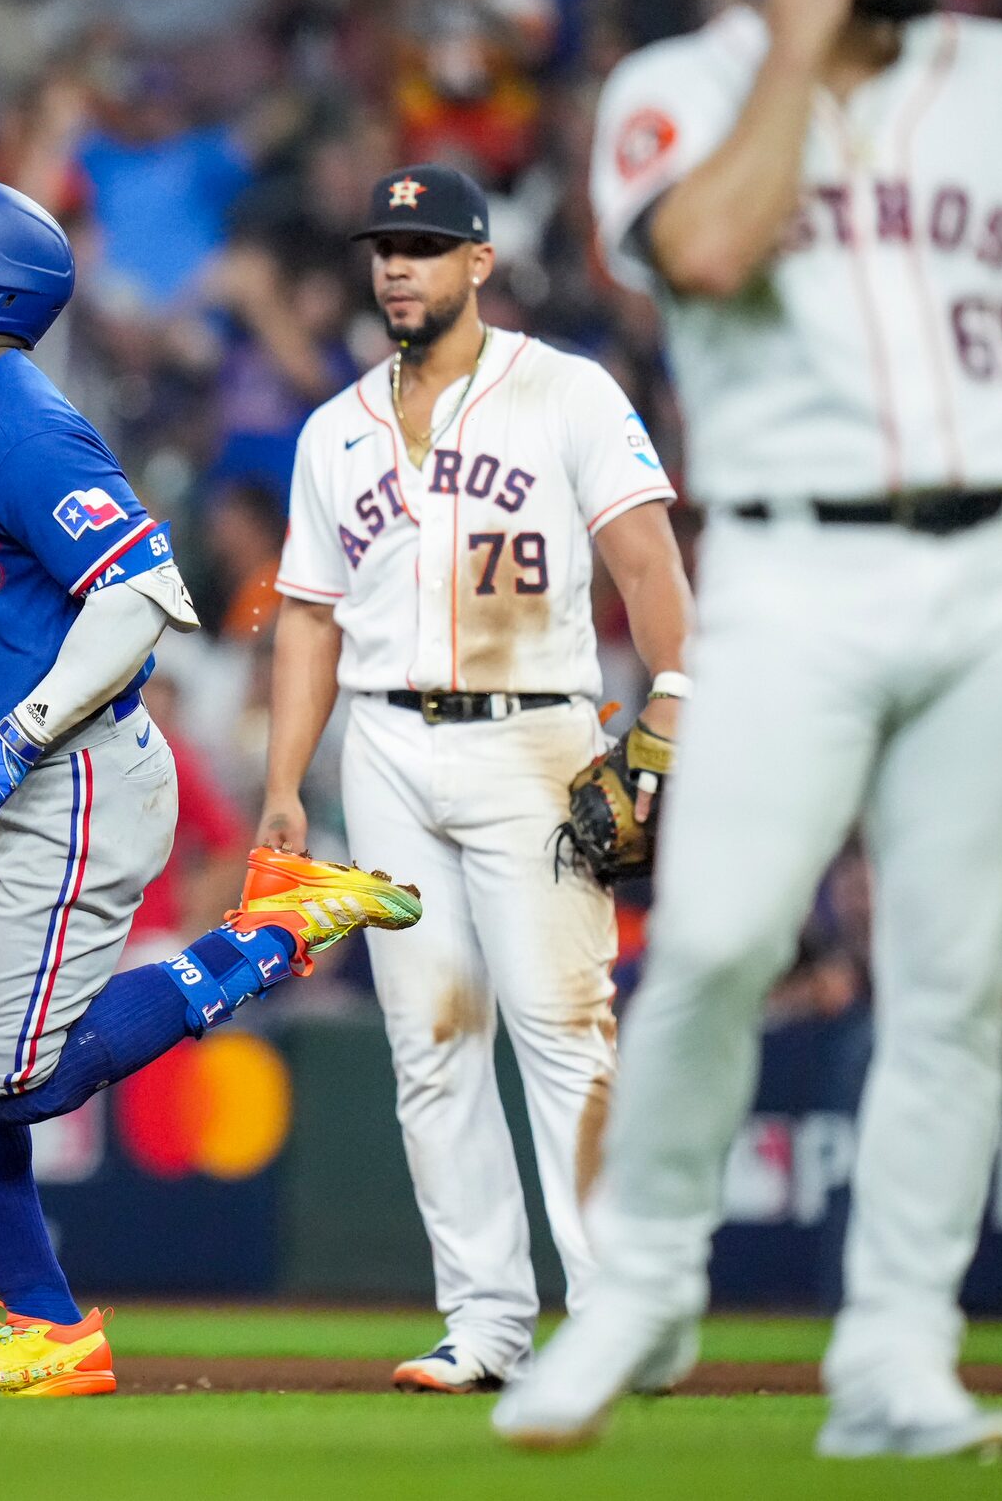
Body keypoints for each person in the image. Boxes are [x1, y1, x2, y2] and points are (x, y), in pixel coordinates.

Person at [494, 0, 1002, 1456]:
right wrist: (799, 50)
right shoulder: (673, 93)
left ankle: (894, 1358)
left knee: (951, 983)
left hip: (1000, 567)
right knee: (723, 936)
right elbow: (711, 250)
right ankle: (643, 1286)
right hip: (793, 572)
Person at [0, 175, 421, 1397]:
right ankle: (49, 1329)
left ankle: (273, 934)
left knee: (17, 1079)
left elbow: (140, 600)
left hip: (71, 778)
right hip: (2, 772)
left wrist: (13, 737)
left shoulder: (20, 421)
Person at [259, 163, 695, 1392]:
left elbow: (647, 562)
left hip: (534, 736)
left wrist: (673, 695)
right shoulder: (332, 427)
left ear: (478, 262)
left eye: (425, 243)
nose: (396, 263)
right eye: (383, 245)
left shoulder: (564, 391)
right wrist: (287, 781)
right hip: (383, 745)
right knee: (431, 1042)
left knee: (562, 1033)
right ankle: (488, 1326)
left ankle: (616, 1318)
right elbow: (305, 616)